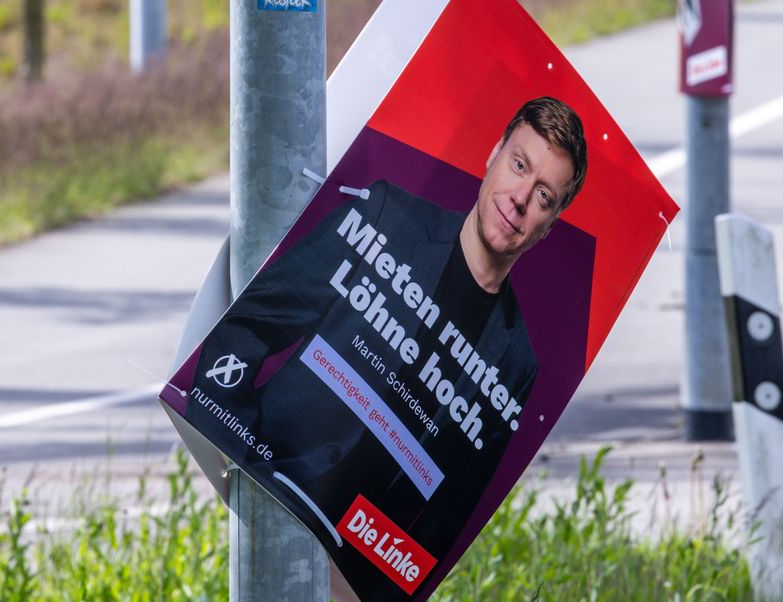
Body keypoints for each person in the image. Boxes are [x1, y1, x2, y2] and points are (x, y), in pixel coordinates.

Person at [177, 96, 586, 599]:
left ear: (550, 224)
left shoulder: (516, 361)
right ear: (494, 154)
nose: (520, 197)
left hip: (353, 572)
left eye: (544, 195)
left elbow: (446, 516)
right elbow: (255, 323)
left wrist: (371, 590)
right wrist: (240, 449)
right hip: (267, 486)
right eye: (519, 165)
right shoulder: (389, 214)